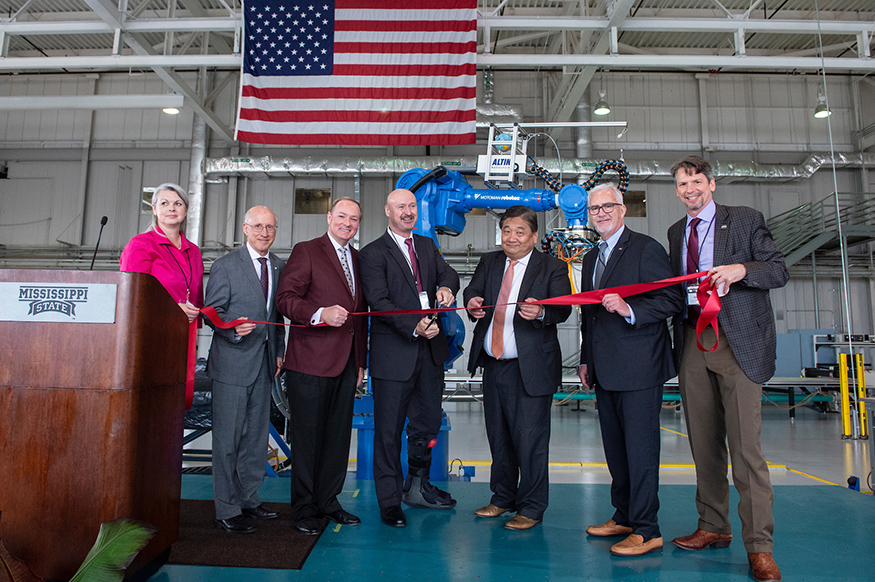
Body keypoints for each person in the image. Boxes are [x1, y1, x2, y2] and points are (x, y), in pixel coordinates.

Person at [667, 155, 788, 582]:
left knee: (746, 453)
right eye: (682, 184)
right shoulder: (676, 232)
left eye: (696, 181)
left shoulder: (744, 219)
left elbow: (778, 270)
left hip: (738, 343)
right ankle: (714, 526)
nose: (689, 189)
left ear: (711, 184)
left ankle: (759, 546)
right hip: (693, 343)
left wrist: (741, 270)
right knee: (703, 446)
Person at [576, 184, 683, 555]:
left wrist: (629, 310)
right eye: (594, 209)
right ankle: (623, 515)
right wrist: (586, 358)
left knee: (640, 452)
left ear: (623, 210)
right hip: (605, 369)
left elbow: (671, 299)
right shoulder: (591, 259)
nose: (601, 213)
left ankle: (647, 529)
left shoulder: (646, 248)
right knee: (616, 450)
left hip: (640, 368)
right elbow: (588, 315)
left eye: (608, 207)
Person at [463, 205, 572, 531]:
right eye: (507, 230)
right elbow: (473, 290)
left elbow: (563, 308)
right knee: (499, 438)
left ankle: (532, 507)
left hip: (531, 368)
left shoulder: (551, 266)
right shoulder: (490, 261)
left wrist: (540, 313)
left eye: (519, 231)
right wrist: (472, 302)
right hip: (494, 366)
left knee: (531, 441)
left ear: (534, 236)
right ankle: (502, 498)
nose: (511, 237)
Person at [358, 188, 460, 528]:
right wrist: (414, 326)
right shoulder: (372, 253)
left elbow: (448, 274)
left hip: (430, 355)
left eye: (412, 206)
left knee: (426, 425)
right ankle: (389, 502)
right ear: (387, 210)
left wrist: (447, 287)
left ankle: (418, 486)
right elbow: (378, 301)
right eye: (400, 206)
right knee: (387, 432)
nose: (408, 212)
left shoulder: (428, 246)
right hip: (394, 356)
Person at [276, 197, 368, 536]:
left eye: (354, 219)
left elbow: (362, 317)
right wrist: (319, 314)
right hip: (310, 362)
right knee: (308, 439)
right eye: (342, 216)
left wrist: (361, 361)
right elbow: (286, 299)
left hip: (346, 365)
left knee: (336, 439)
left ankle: (328, 501)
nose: (347, 223)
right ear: (329, 217)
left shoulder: (358, 260)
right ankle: (303, 508)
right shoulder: (307, 250)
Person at [203, 206, 286, 534]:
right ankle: (226, 508)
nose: (264, 232)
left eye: (270, 227)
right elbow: (211, 311)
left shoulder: (278, 266)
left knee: (255, 439)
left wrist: (279, 352)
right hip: (232, 365)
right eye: (258, 226)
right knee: (227, 440)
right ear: (245, 229)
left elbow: (278, 316)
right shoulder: (225, 266)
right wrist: (230, 329)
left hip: (265, 365)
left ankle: (249, 498)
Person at [120, 183, 203, 322]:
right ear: (154, 209)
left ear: (186, 210)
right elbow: (131, 292)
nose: (172, 208)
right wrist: (172, 309)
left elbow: (197, 297)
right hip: (150, 326)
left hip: (186, 328)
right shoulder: (140, 244)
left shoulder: (194, 251)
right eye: (164, 203)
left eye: (178, 204)